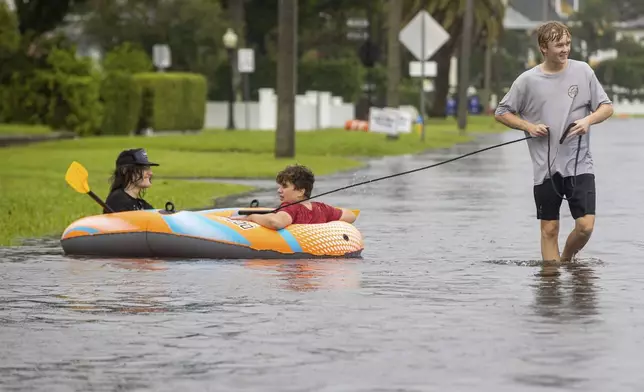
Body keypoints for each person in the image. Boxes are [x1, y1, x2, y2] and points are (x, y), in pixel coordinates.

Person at [494, 21, 613, 262]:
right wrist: (529, 126)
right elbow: (501, 112)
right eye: (559, 45)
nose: (565, 49)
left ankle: (567, 258)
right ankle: (550, 286)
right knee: (549, 230)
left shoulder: (583, 72)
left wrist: (588, 121)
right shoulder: (527, 81)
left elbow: (607, 107)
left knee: (585, 227)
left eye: (568, 43)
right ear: (543, 48)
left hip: (580, 164)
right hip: (545, 169)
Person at [232, 164, 356, 230]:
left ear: (301, 192)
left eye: (284, 187)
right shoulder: (321, 208)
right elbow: (351, 215)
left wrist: (252, 217)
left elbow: (276, 223)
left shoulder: (290, 208)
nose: (279, 190)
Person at [104, 148, 159, 213]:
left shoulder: (141, 204)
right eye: (143, 168)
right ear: (125, 171)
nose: (150, 173)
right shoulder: (117, 201)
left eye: (148, 168)